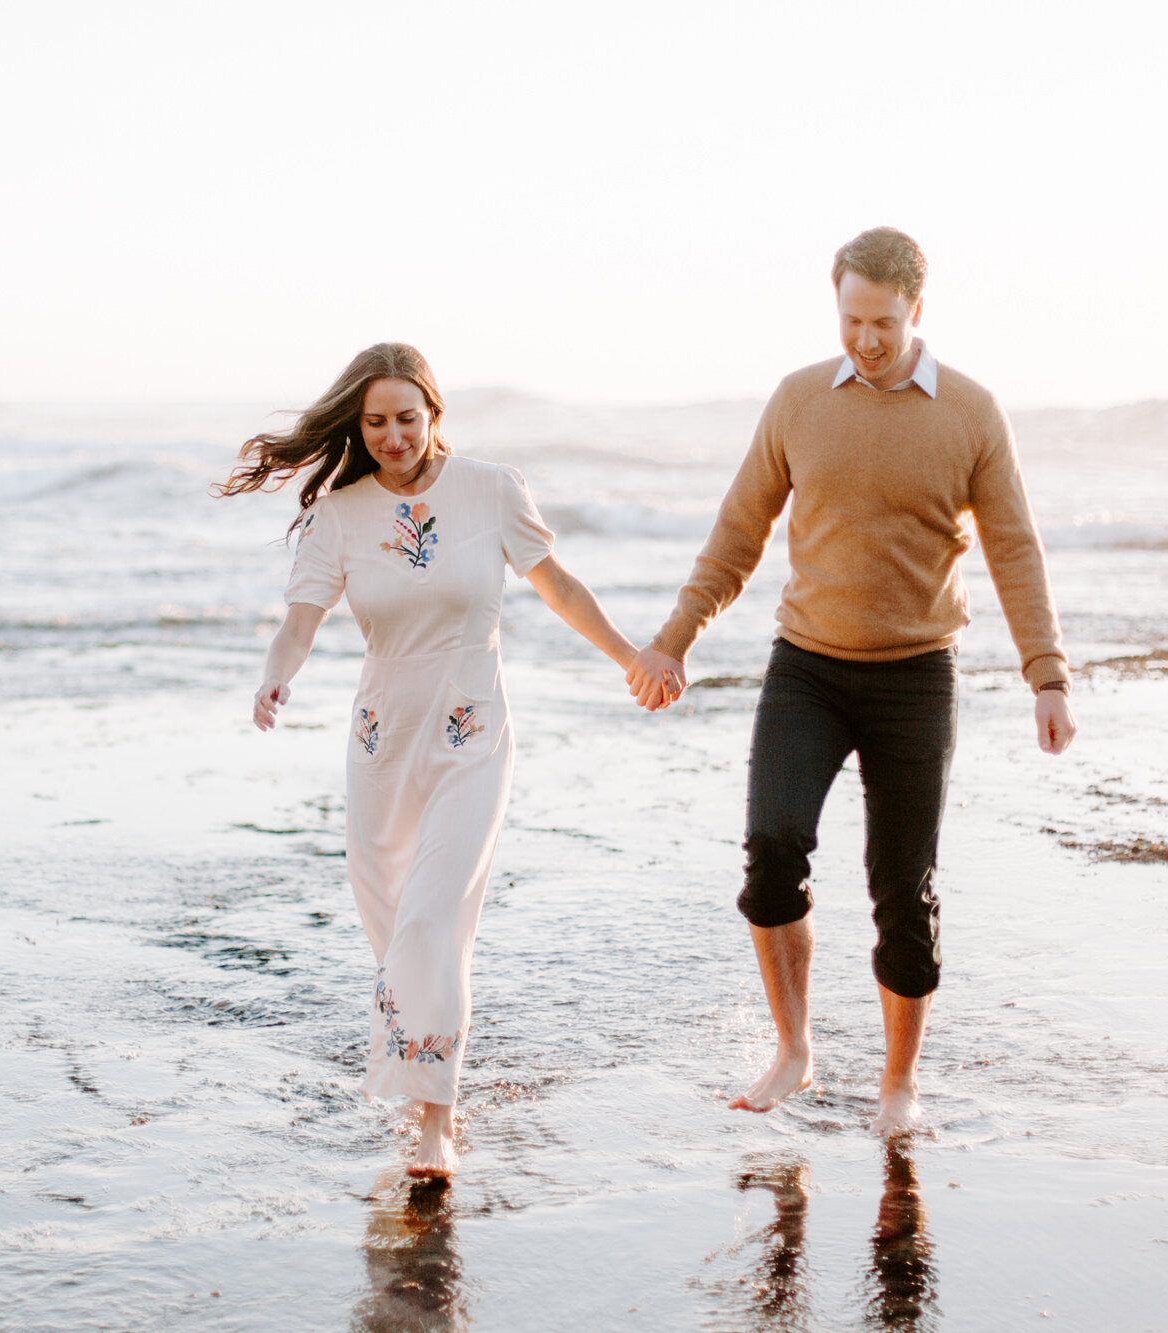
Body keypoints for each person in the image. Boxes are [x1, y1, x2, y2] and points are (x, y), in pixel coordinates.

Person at [626, 228, 1079, 1136]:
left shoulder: (974, 413)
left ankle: (899, 1082)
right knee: (770, 853)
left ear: (919, 311)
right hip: (809, 668)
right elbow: (737, 535)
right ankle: (793, 1048)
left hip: (918, 677)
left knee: (902, 892)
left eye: (883, 321)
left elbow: (1015, 551)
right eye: (850, 319)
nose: (866, 339)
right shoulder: (797, 400)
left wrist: (1048, 675)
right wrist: (672, 641)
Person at [220, 342, 640, 1178]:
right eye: (374, 421)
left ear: (434, 413)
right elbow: (301, 620)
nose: (391, 435)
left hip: (470, 737)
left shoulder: (491, 490)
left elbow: (557, 584)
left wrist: (630, 656)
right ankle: (427, 1081)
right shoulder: (340, 514)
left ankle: (434, 1123)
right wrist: (274, 677)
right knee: (397, 933)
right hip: (381, 748)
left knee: (432, 920)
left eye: (406, 418)